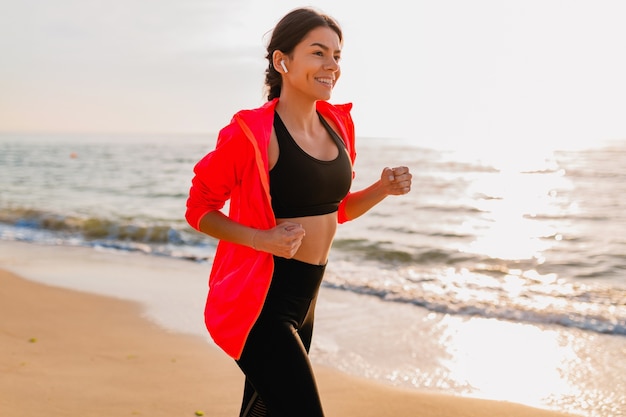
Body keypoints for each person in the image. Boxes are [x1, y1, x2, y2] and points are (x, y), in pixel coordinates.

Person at [185, 7, 412, 417]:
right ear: (282, 61)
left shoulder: (337, 126)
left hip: (305, 300)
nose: (331, 66)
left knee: (262, 412)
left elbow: (334, 212)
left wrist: (381, 189)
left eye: (337, 56)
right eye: (318, 53)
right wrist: (261, 238)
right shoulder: (251, 134)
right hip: (260, 306)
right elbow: (199, 209)